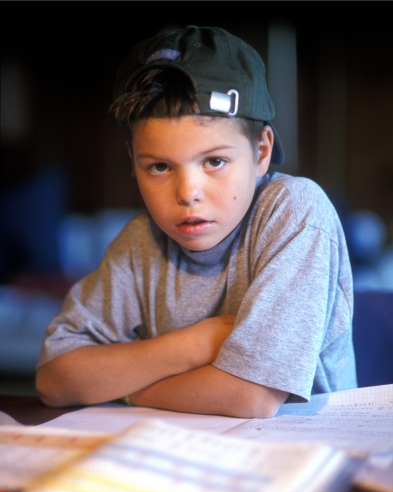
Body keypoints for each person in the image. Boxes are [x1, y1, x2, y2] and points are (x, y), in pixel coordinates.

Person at [36, 26, 357, 417]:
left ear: (261, 152)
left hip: (297, 459)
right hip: (173, 458)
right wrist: (199, 343)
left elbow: (251, 397)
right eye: (158, 166)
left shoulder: (293, 210)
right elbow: (54, 379)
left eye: (215, 161)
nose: (187, 193)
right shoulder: (141, 241)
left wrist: (133, 390)